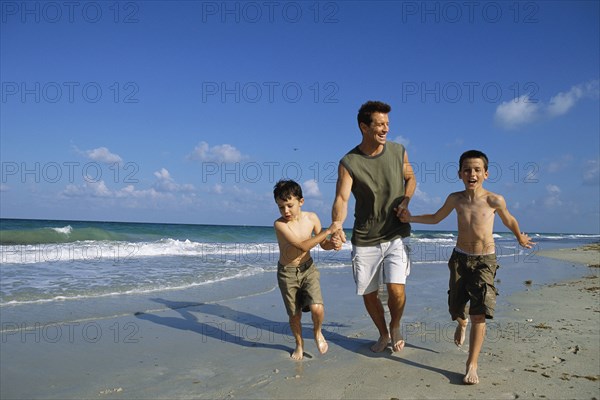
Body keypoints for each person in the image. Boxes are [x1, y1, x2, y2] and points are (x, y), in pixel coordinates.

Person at [400, 149, 535, 384]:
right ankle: (460, 324)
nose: (472, 173)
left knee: (479, 312)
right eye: (467, 169)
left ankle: (472, 363)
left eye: (477, 170)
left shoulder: (494, 200)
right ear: (460, 173)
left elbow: (509, 219)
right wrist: (410, 218)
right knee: (456, 306)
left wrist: (519, 237)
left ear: (486, 173)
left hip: (485, 260)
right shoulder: (455, 199)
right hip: (460, 259)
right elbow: (435, 218)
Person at [331, 100, 416, 353]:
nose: (385, 129)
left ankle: (396, 324)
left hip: (396, 234)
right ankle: (383, 333)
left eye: (387, 124)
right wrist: (337, 224)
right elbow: (342, 198)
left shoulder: (398, 151)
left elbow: (410, 178)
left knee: (396, 289)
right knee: (368, 294)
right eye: (380, 124)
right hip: (365, 237)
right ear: (364, 127)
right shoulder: (349, 162)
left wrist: (406, 200)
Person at [273, 179, 342, 360]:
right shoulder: (280, 225)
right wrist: (327, 232)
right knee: (294, 315)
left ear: (301, 202)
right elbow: (302, 246)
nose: (285, 211)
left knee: (317, 308)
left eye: (289, 205)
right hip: (287, 273)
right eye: (281, 207)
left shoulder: (311, 218)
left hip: (308, 269)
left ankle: (318, 332)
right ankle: (299, 344)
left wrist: (333, 243)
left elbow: (323, 244)